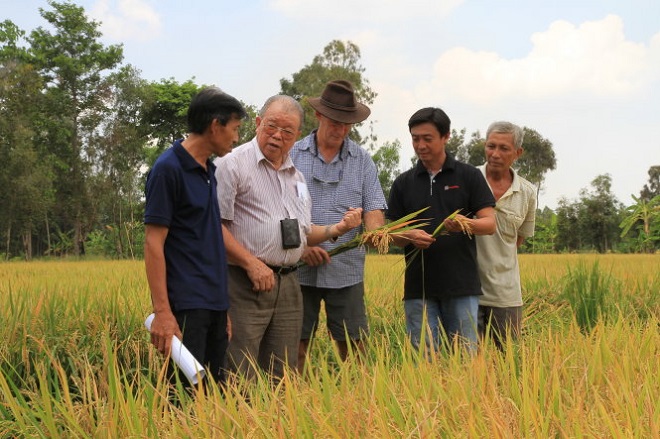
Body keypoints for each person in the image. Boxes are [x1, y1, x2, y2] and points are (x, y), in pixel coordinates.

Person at [214, 95, 363, 381]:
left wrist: (338, 229)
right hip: (244, 284)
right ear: (257, 124)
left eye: (287, 131)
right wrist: (250, 263)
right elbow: (213, 226)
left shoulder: (295, 176)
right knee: (238, 370)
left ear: (296, 137)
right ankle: (235, 424)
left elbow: (304, 233)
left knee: (282, 375)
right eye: (271, 127)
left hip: (289, 284)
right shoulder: (231, 165)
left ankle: (279, 426)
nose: (277, 136)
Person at [144, 87, 247, 389]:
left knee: (214, 394)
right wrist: (163, 312)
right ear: (215, 125)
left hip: (213, 304)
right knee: (185, 398)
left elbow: (210, 238)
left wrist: (222, 308)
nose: (236, 137)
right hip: (186, 306)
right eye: (235, 128)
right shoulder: (167, 170)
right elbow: (153, 243)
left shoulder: (208, 170)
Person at [290, 80, 387, 373]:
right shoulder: (292, 155)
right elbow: (277, 208)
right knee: (295, 341)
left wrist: (373, 232)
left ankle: (357, 403)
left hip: (346, 268)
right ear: (319, 116)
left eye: (347, 124)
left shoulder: (362, 160)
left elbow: (374, 207)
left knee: (353, 343)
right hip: (297, 270)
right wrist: (302, 246)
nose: (340, 130)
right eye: (335, 122)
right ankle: (291, 401)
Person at [386, 107, 496, 353]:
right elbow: (390, 233)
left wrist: (465, 224)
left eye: (428, 138)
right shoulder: (404, 183)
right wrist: (408, 235)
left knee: (465, 361)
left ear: (446, 136)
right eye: (415, 138)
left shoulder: (468, 176)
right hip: (418, 289)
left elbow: (489, 224)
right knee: (423, 362)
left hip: (461, 286)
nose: (420, 145)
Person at [476, 121, 536, 349]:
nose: (495, 154)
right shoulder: (466, 180)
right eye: (491, 146)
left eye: (504, 148)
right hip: (466, 292)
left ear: (517, 153)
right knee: (466, 366)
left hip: (506, 295)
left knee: (508, 364)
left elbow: (517, 241)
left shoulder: (527, 193)